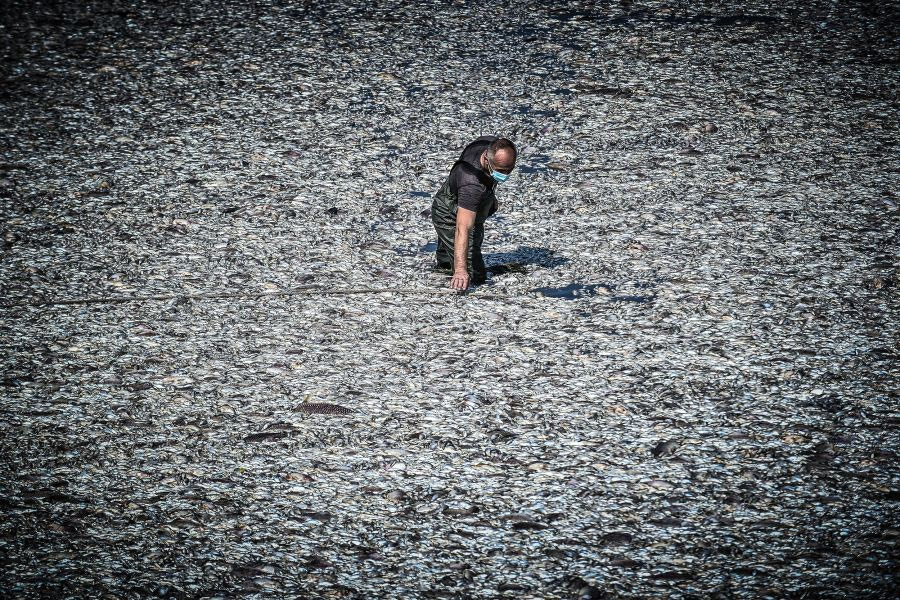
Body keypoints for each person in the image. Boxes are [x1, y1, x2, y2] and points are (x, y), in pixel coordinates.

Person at [431, 135, 517, 290]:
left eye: (508, 170)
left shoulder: (489, 143)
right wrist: (461, 270)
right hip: (448, 211)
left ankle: (445, 261)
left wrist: (490, 197)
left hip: (461, 194)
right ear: (486, 158)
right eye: (500, 171)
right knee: (475, 274)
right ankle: (451, 268)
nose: (504, 175)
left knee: (449, 257)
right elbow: (463, 228)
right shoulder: (471, 184)